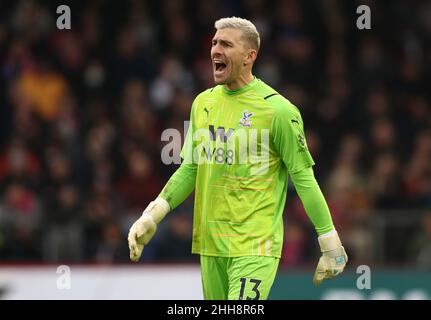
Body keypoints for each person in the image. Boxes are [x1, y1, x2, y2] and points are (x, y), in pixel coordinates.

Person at [128, 16, 348, 300]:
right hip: (210, 245)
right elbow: (192, 168)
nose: (216, 50)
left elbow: (304, 178)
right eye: (214, 43)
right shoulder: (203, 103)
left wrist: (329, 241)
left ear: (249, 56)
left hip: (255, 246)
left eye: (226, 44)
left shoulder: (279, 111)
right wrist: (152, 214)